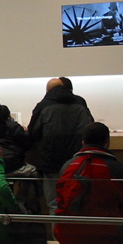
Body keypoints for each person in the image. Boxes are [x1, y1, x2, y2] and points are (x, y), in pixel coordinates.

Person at [27, 78, 93, 215]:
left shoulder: (43, 105)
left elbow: (33, 132)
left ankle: (57, 236)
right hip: (77, 162)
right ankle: (76, 236)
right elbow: (90, 128)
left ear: (48, 90)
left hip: (51, 161)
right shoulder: (80, 103)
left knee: (54, 203)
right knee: (78, 202)